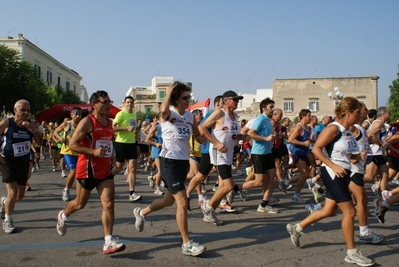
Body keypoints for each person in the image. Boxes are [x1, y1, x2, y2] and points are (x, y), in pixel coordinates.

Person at [286, 97, 374, 267]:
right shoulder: (334, 128)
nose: (359, 115)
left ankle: (296, 228)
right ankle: (351, 252)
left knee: (329, 210)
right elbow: (316, 149)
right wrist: (333, 165)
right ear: (348, 112)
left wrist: (356, 156)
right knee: (349, 212)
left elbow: (344, 153)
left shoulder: (348, 130)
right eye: (357, 112)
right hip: (332, 174)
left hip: (344, 173)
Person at [132, 82, 205, 256]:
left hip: (182, 162)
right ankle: (186, 243)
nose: (188, 100)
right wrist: (169, 91)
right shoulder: (168, 114)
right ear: (176, 99)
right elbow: (162, 111)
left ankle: (141, 212)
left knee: (168, 200)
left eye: (189, 97)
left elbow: (197, 135)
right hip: (168, 161)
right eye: (184, 98)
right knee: (182, 201)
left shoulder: (189, 117)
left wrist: (204, 139)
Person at [56, 91, 125, 255]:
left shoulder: (109, 123)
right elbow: (72, 144)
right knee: (80, 204)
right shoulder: (87, 122)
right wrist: (93, 152)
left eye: (110, 101)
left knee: (109, 204)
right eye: (104, 102)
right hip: (86, 170)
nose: (108, 105)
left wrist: (112, 158)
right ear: (94, 104)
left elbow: (108, 143)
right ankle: (63, 215)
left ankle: (108, 240)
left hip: (104, 171)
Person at [199, 90, 245, 225]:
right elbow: (202, 128)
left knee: (224, 185)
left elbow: (235, 135)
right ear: (226, 101)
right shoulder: (219, 113)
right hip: (218, 153)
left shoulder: (234, 116)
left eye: (238, 100)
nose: (237, 102)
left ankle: (211, 207)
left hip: (228, 153)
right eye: (235, 100)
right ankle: (208, 207)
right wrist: (217, 143)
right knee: (229, 185)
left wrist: (246, 137)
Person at [228, 98, 278, 213]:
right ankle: (236, 188)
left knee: (273, 179)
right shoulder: (260, 119)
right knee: (259, 182)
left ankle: (264, 204)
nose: (273, 109)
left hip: (268, 153)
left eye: (273, 107)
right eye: (271, 107)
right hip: (259, 153)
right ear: (264, 109)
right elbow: (251, 133)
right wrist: (266, 138)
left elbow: (266, 135)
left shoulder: (268, 120)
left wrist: (274, 136)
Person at [0, 99, 43, 233]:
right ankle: (7, 220)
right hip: (8, 162)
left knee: (19, 196)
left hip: (23, 162)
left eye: (28, 110)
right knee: (12, 193)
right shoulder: (7, 123)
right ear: (15, 110)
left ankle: (3, 202)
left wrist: (33, 130)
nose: (25, 113)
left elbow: (39, 142)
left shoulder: (31, 124)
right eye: (22, 110)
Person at [111, 96, 142, 202]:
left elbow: (132, 128)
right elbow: (113, 128)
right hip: (121, 143)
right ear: (124, 103)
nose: (129, 104)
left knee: (133, 167)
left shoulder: (133, 114)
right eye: (128, 102)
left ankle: (132, 192)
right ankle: (106, 179)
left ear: (134, 104)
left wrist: (136, 132)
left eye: (131, 102)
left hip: (132, 143)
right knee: (119, 167)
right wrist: (125, 128)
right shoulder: (120, 114)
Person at [53, 107, 83, 201]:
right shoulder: (67, 124)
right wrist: (60, 139)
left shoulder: (82, 125)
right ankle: (66, 190)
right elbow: (56, 131)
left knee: (79, 173)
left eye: (79, 114)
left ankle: (79, 193)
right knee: (73, 171)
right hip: (67, 151)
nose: (78, 116)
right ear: (72, 115)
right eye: (76, 114)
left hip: (78, 152)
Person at [364, 106, 391, 199]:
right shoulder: (378, 123)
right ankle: (349, 184)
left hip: (379, 153)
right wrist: (381, 143)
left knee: (385, 174)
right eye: (389, 113)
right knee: (369, 177)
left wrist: (384, 142)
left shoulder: (381, 124)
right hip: (373, 153)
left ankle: (384, 197)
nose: (390, 115)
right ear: (384, 114)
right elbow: (370, 135)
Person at [288, 109, 313, 203]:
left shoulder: (307, 127)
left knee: (305, 174)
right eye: (309, 115)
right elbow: (290, 139)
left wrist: (311, 141)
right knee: (305, 175)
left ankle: (286, 182)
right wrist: (303, 144)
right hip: (298, 152)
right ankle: (296, 195)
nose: (310, 117)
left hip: (305, 152)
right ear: (303, 116)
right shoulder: (299, 127)